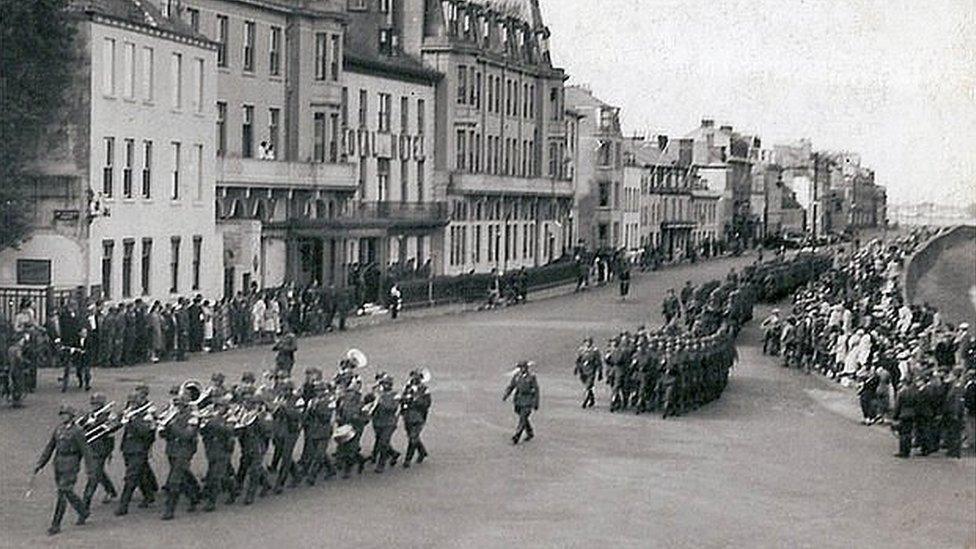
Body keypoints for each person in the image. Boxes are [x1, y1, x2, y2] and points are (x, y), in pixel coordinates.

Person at [35, 404, 91, 536]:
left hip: (71, 463)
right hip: (59, 463)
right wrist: (41, 463)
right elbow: (50, 447)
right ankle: (82, 510)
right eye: (62, 414)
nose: (63, 417)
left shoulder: (77, 431)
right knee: (65, 492)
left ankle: (56, 524)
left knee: (63, 491)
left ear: (71, 416)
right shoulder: (58, 429)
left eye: (65, 414)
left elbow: (86, 451)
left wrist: (90, 468)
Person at [159, 394, 200, 520]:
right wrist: (163, 428)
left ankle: (169, 510)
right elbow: (166, 435)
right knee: (182, 476)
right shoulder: (173, 415)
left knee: (174, 480)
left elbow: (187, 435)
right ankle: (193, 497)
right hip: (172, 450)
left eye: (181, 406)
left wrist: (172, 425)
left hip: (184, 451)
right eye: (177, 405)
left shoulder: (193, 417)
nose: (178, 408)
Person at [115, 392, 157, 516]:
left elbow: (145, 432)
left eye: (133, 403)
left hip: (139, 449)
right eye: (130, 403)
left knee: (131, 477)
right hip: (128, 449)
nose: (131, 405)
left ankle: (123, 505)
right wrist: (119, 418)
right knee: (141, 474)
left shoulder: (146, 415)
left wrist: (132, 420)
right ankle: (148, 495)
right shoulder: (128, 413)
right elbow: (117, 425)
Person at [81, 393, 118, 508]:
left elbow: (112, 429)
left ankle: (85, 503)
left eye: (97, 404)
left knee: (93, 475)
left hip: (102, 448)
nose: (94, 406)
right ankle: (110, 490)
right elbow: (80, 428)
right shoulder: (90, 415)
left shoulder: (109, 415)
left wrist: (96, 424)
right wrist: (86, 423)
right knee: (98, 472)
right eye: (93, 404)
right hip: (90, 447)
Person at [200, 399, 238, 511]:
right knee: (223, 475)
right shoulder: (212, 417)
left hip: (223, 450)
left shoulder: (230, 418)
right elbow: (203, 432)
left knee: (215, 477)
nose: (219, 409)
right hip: (211, 449)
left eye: (221, 407)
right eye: (217, 407)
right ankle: (233, 490)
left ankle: (211, 502)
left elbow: (228, 431)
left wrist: (214, 421)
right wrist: (204, 422)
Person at [366, 375, 400, 473]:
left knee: (383, 443)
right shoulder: (378, 394)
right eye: (383, 384)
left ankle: (381, 464)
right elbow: (367, 401)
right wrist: (372, 393)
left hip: (389, 423)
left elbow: (392, 408)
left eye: (386, 384)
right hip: (377, 422)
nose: (384, 386)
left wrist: (380, 401)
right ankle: (394, 454)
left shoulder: (395, 395)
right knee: (381, 440)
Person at [502, 361, 539, 444]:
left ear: (526, 368)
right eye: (520, 368)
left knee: (523, 418)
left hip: (528, 400)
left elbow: (536, 390)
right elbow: (511, 386)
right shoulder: (517, 376)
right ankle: (530, 432)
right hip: (518, 400)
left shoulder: (531, 377)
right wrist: (506, 395)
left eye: (523, 368)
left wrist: (536, 403)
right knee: (523, 417)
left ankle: (516, 436)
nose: (522, 369)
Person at [401, 370, 431, 468]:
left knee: (413, 438)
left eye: (416, 378)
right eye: (413, 378)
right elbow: (403, 399)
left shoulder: (424, 390)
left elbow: (426, 404)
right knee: (412, 436)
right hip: (408, 416)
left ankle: (407, 459)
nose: (413, 380)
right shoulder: (408, 387)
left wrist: (415, 399)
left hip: (418, 417)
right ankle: (422, 451)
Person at [574, 338, 603, 408]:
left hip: (591, 371)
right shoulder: (581, 350)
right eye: (586, 342)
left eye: (589, 342)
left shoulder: (595, 351)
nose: (588, 343)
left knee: (588, 386)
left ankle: (585, 401)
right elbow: (578, 360)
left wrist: (600, 372)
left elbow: (598, 362)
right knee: (588, 386)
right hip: (583, 371)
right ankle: (592, 398)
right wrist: (576, 369)